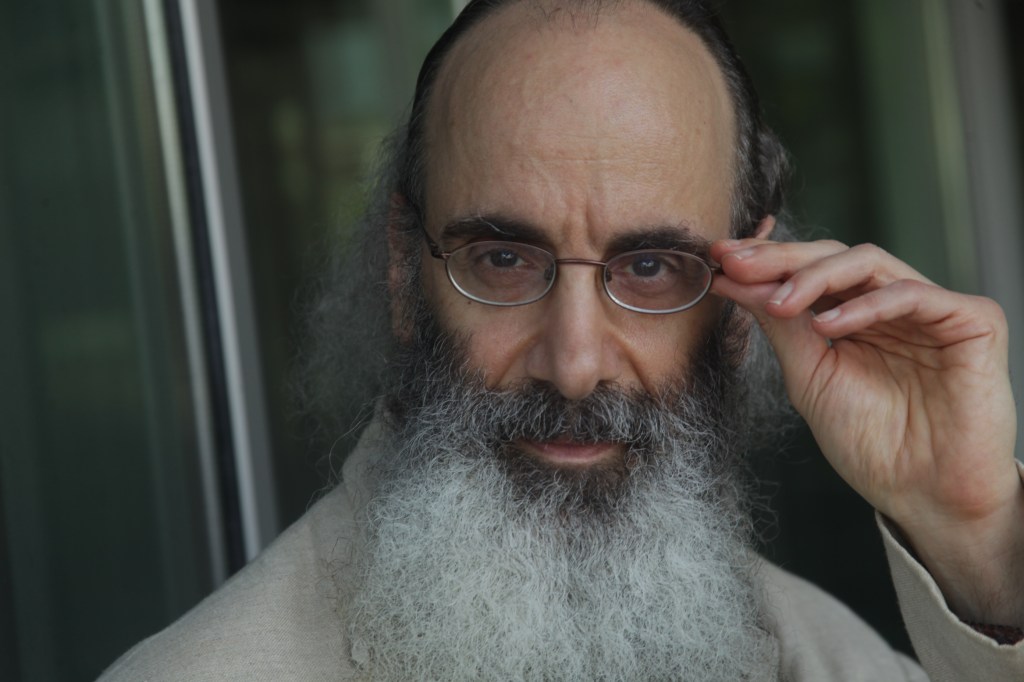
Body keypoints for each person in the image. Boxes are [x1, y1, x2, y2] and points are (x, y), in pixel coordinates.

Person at [99, 0, 1024, 679]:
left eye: (651, 267)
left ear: (743, 305)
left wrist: (973, 535)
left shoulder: (831, 660)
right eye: (503, 260)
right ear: (405, 272)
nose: (575, 364)